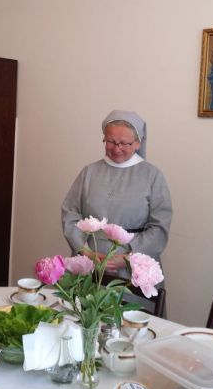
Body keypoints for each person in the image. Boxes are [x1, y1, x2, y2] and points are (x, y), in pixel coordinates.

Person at [62, 110, 172, 278]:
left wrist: (127, 258)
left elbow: (159, 227)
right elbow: (70, 213)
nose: (116, 148)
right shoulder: (89, 172)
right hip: (89, 262)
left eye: (124, 143)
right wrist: (86, 252)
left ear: (138, 143)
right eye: (111, 141)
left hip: (135, 266)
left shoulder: (152, 176)